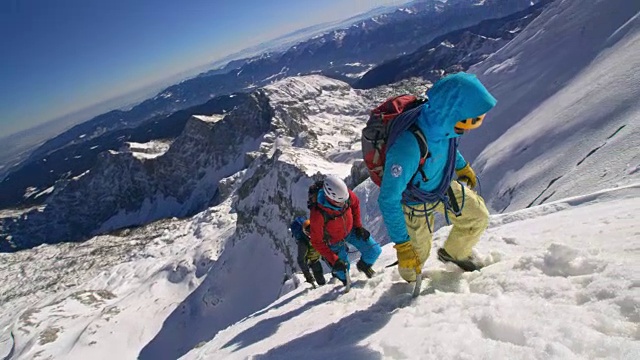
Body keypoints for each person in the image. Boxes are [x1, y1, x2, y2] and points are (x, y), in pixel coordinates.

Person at [377, 72, 497, 282]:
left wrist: (462, 167)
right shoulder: (408, 146)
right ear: (455, 112)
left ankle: (453, 253)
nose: (476, 124)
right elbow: (388, 198)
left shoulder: (445, 124)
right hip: (415, 204)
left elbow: (445, 143)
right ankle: (410, 279)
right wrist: (403, 245)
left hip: (441, 186)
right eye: (475, 119)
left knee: (477, 217)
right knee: (415, 258)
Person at [308, 175, 382, 285]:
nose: (343, 204)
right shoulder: (318, 215)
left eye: (344, 201)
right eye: (339, 202)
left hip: (351, 230)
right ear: (329, 197)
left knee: (374, 250)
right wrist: (334, 259)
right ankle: (342, 279)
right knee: (342, 270)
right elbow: (317, 241)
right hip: (334, 242)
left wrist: (358, 227)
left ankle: (363, 266)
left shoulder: (344, 195)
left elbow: (355, 204)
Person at [290, 216, 326, 286]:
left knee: (319, 270)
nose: (311, 232)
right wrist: (307, 275)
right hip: (312, 259)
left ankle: (322, 285)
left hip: (315, 256)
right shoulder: (303, 243)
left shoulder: (317, 233)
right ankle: (322, 285)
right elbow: (301, 260)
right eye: (309, 231)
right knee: (318, 271)